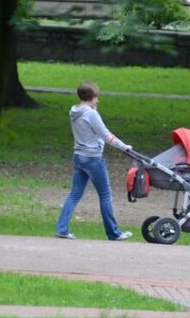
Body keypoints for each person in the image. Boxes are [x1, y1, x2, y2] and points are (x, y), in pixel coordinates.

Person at [55, 81, 133, 241]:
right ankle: (114, 233)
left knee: (74, 194)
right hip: (93, 159)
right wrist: (125, 147)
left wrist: (94, 110)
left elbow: (90, 128)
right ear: (92, 97)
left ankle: (62, 228)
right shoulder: (91, 114)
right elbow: (106, 135)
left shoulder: (74, 111)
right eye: (97, 98)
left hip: (78, 157)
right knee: (105, 194)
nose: (98, 101)